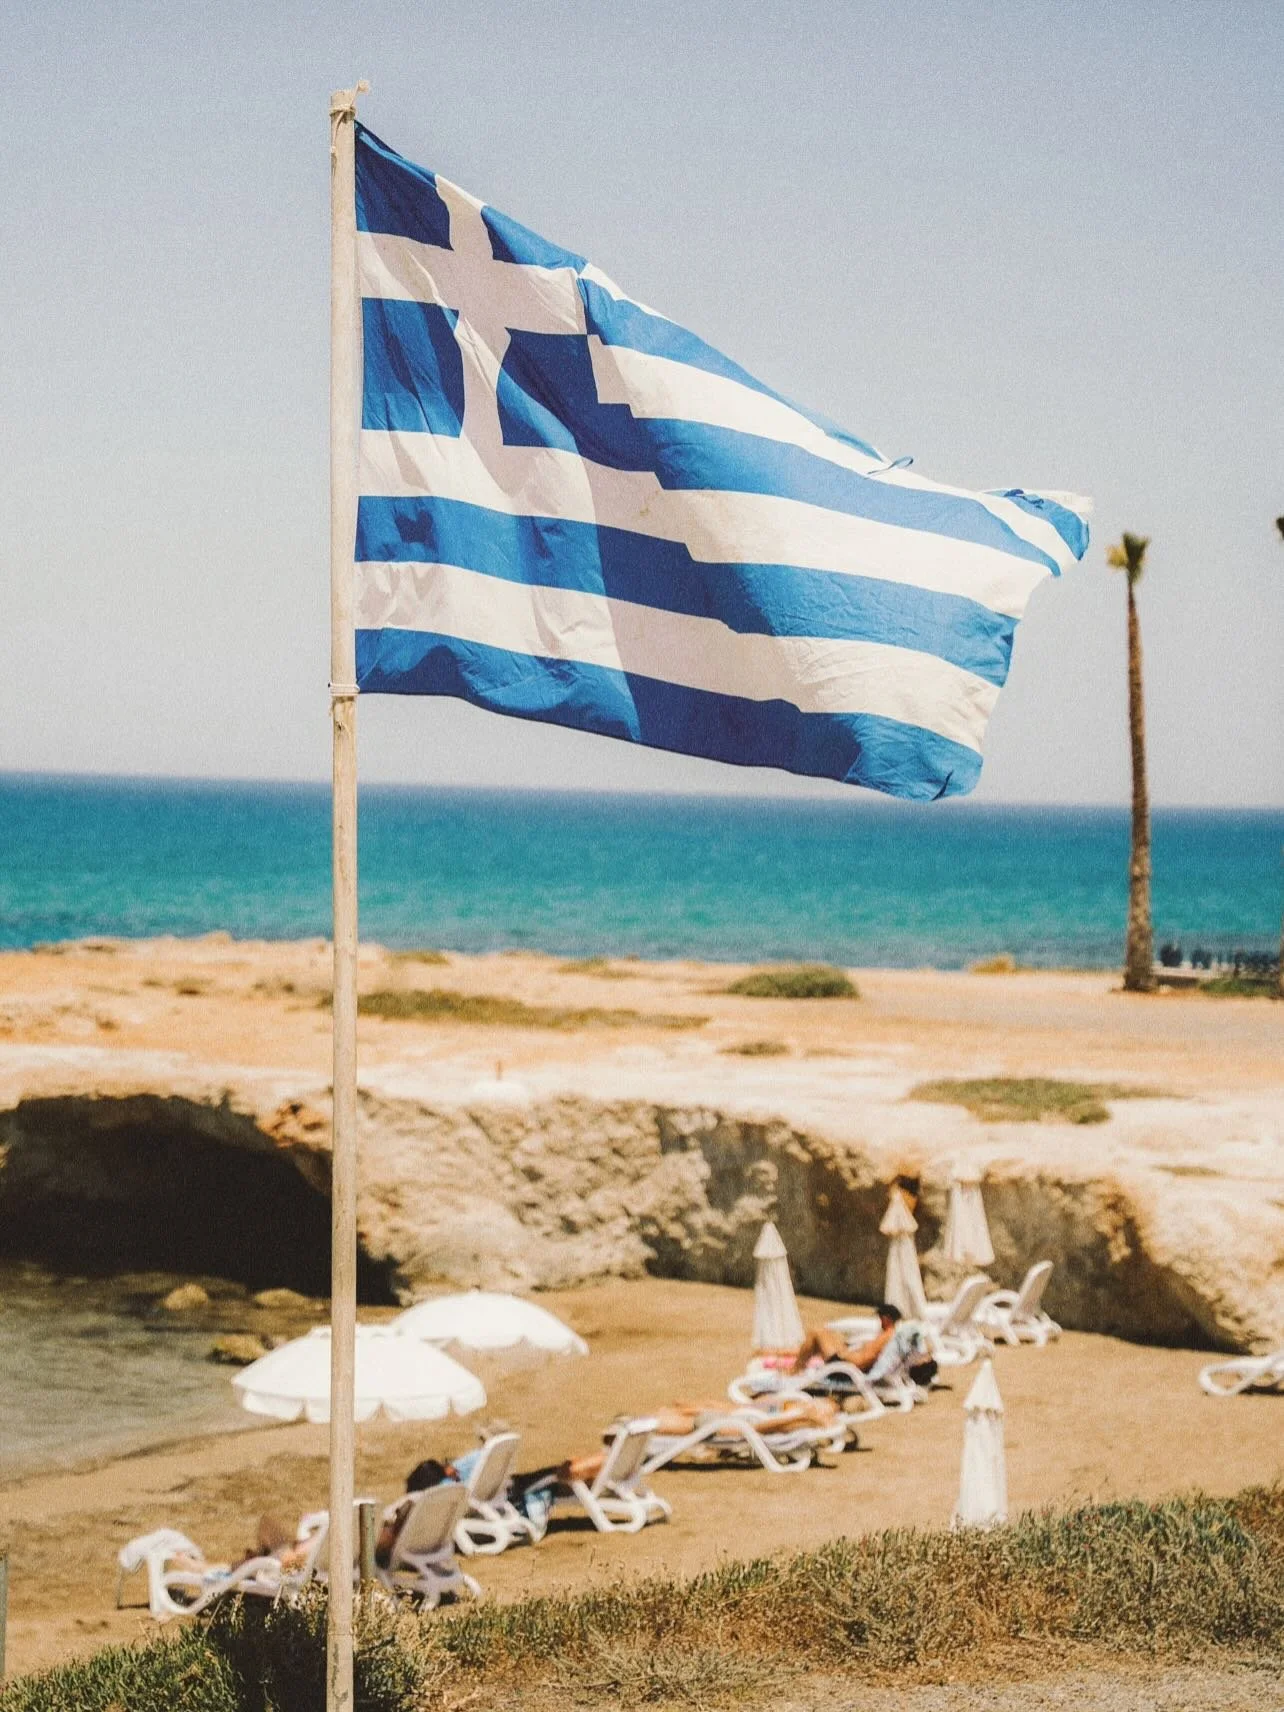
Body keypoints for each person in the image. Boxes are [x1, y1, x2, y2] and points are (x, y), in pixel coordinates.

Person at [789, 1303, 903, 1374]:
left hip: (848, 1368)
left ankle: (795, 1370)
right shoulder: (890, 1335)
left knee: (815, 1333)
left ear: (886, 1318)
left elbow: (863, 1361)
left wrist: (845, 1354)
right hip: (849, 1362)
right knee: (826, 1333)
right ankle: (798, 1368)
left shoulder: (885, 1337)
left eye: (880, 1318)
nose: (879, 1321)